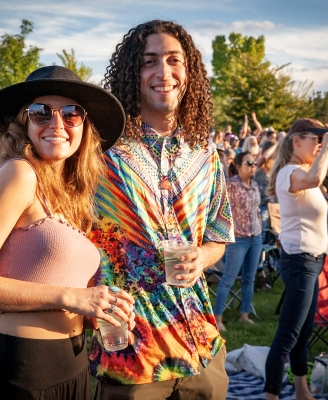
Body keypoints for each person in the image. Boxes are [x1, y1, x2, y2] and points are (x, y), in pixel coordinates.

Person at [0, 66, 134, 400]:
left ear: (85, 126)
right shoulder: (20, 174)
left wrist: (96, 311)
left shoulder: (70, 195)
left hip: (74, 366)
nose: (57, 124)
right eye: (40, 112)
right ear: (24, 122)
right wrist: (73, 297)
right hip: (26, 372)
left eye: (72, 114)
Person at [89, 20, 234, 400]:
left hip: (201, 347)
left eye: (174, 60)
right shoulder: (100, 152)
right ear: (133, 73)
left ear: (189, 72)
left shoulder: (205, 154)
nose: (163, 72)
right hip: (133, 353)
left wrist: (202, 256)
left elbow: (219, 235)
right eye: (149, 61)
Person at [264, 118, 328, 399]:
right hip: (300, 260)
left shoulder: (303, 170)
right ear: (297, 141)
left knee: (303, 333)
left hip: (312, 260)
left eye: (321, 141)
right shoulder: (290, 172)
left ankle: (301, 391)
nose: (319, 145)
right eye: (315, 140)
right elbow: (314, 179)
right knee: (287, 335)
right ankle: (271, 395)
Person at [214, 151, 262, 331]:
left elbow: (256, 210)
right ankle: (217, 319)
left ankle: (245, 314)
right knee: (228, 279)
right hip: (237, 239)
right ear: (239, 166)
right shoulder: (230, 185)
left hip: (255, 237)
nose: (252, 166)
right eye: (249, 163)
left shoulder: (255, 185)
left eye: (254, 163)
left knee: (249, 279)